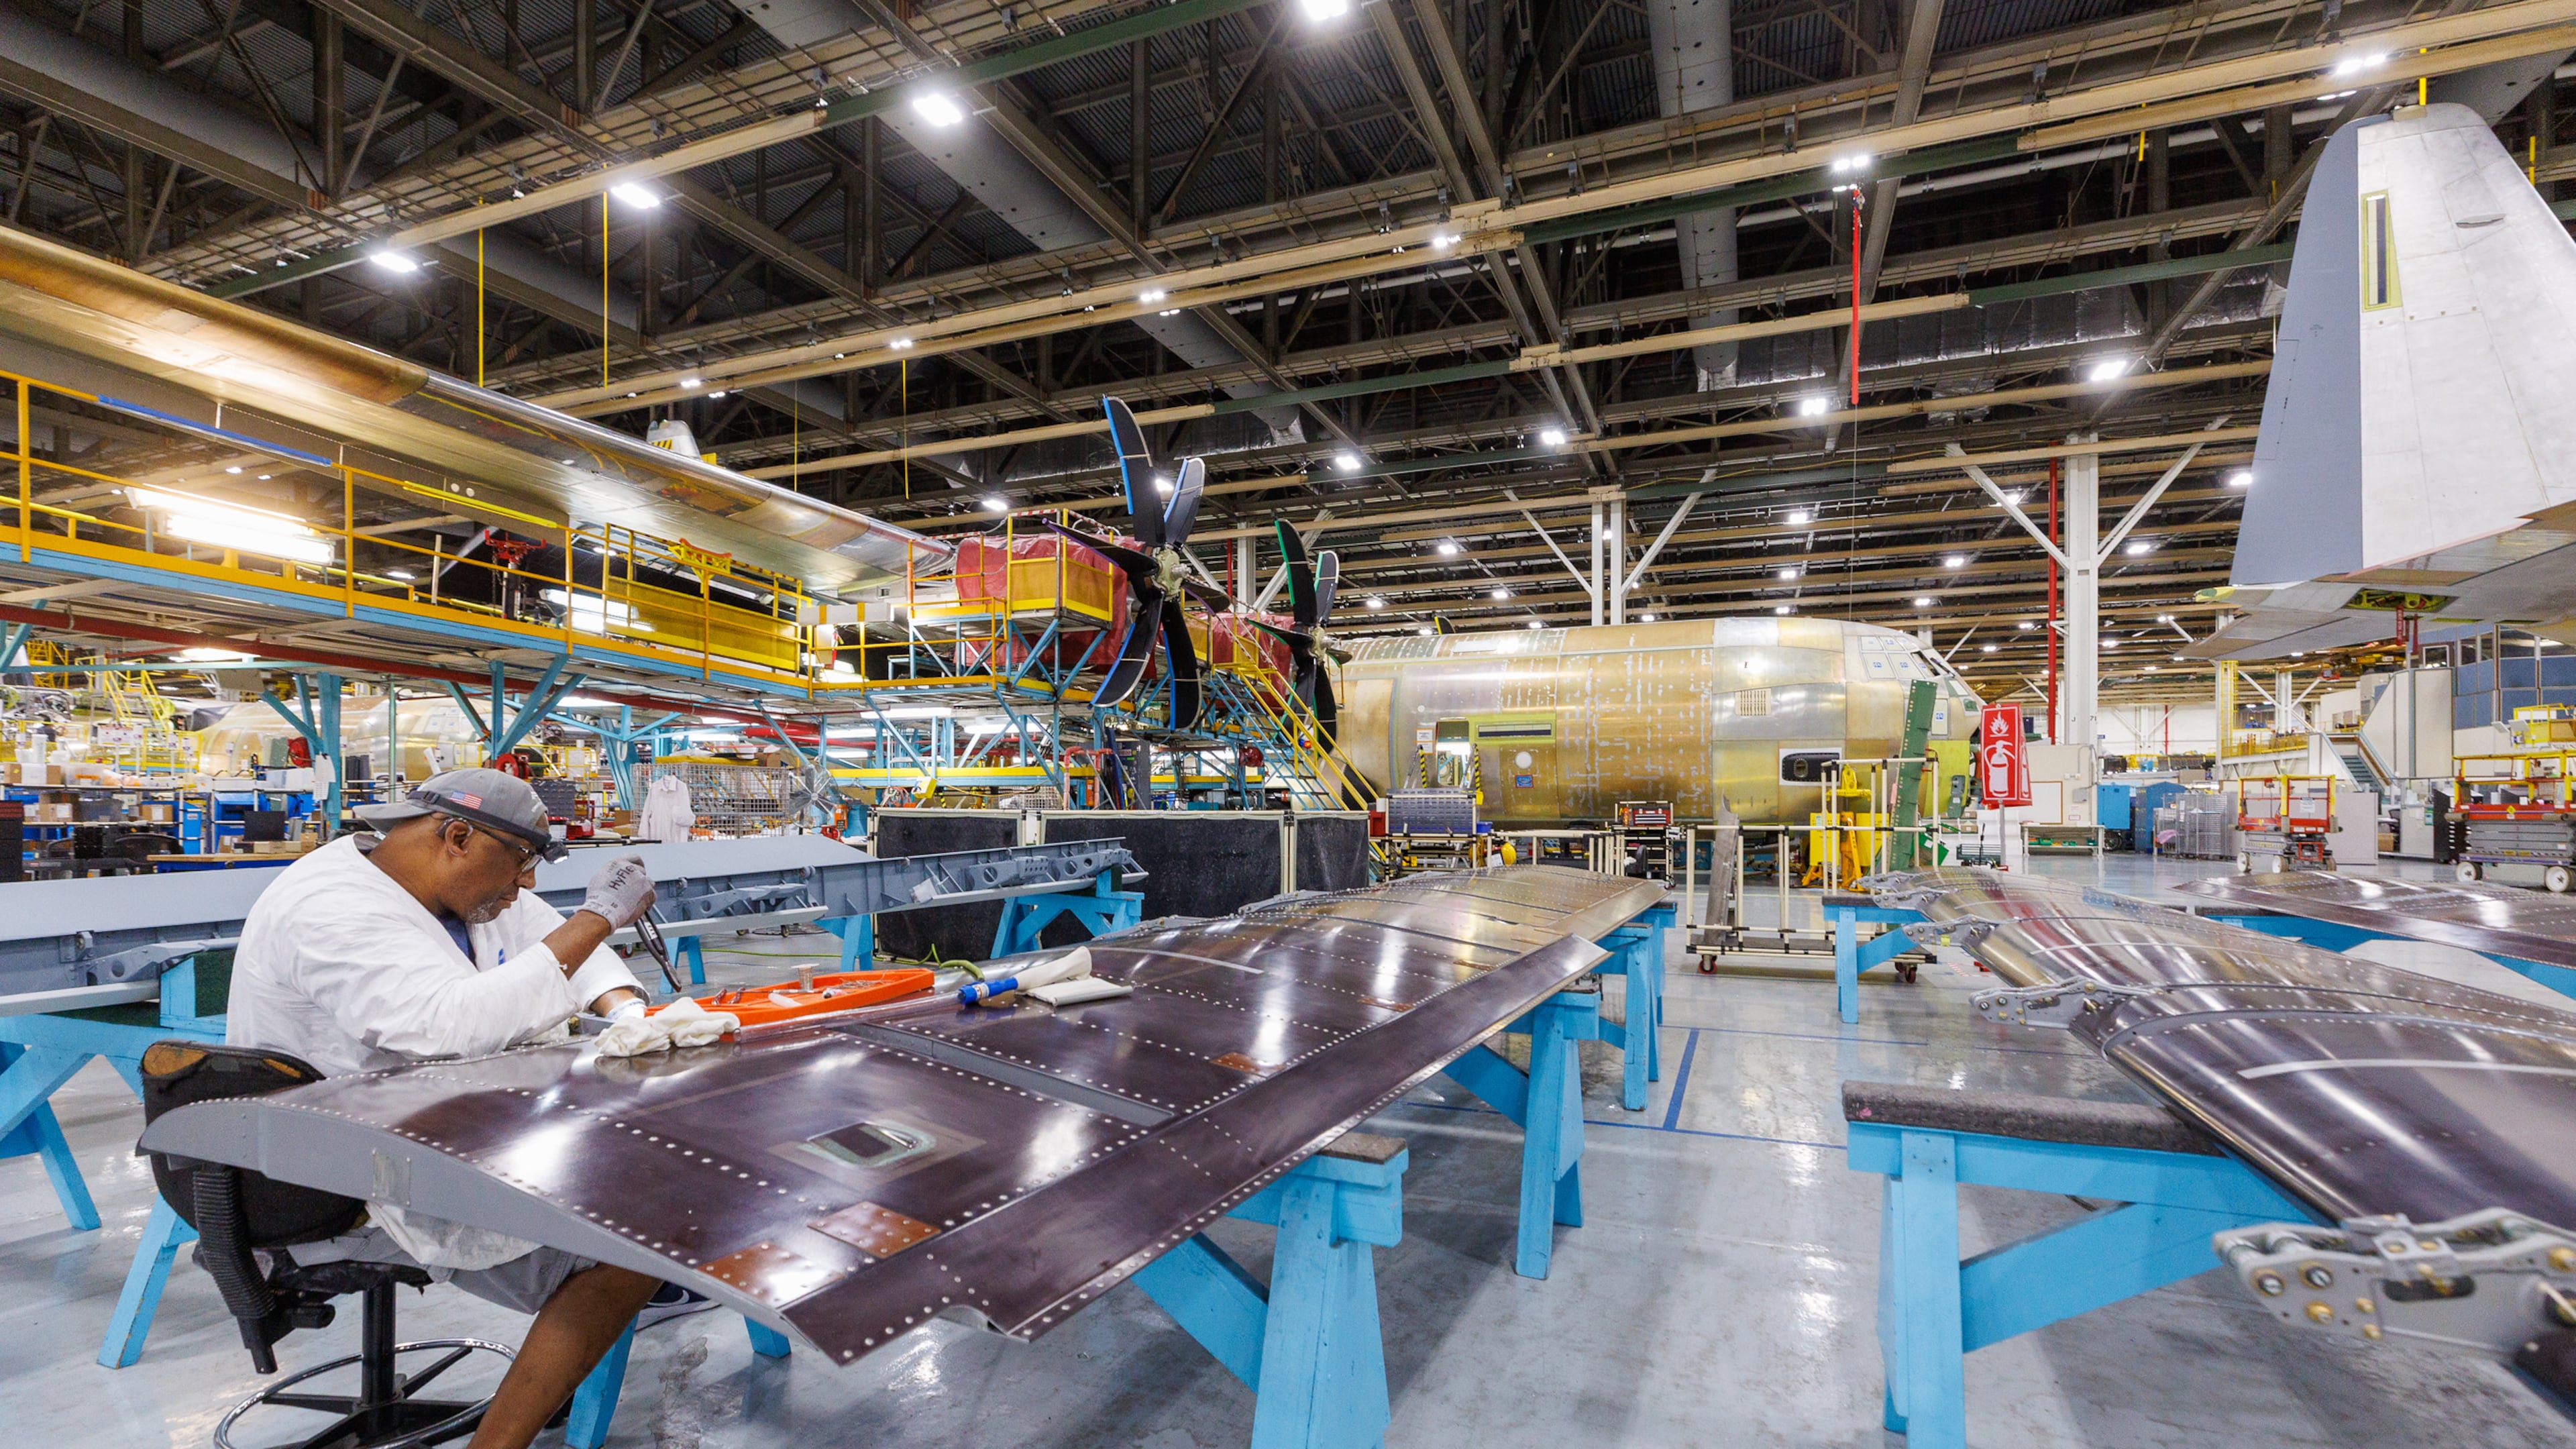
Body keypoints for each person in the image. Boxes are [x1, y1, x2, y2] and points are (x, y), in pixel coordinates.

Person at [226, 767, 707, 1448]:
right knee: (631, 1245)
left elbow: (563, 947)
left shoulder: (453, 886)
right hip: (336, 1174)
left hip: (417, 1131)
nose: (528, 883)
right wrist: (600, 915)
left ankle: (556, 1367)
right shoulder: (331, 906)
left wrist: (628, 1011)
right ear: (457, 835)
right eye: (522, 864)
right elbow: (446, 1025)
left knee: (632, 1175)